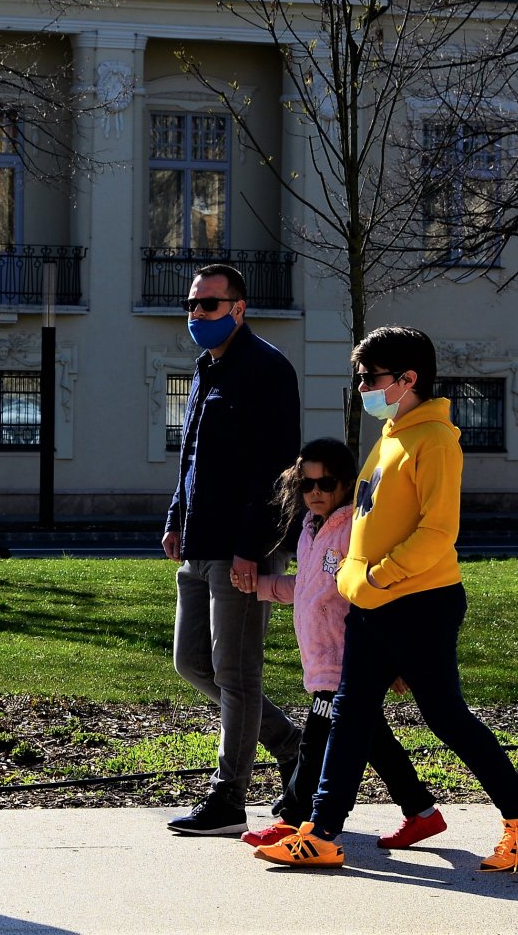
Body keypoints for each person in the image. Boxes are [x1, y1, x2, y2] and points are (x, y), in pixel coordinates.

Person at [255, 326, 518, 872]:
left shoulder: (436, 441)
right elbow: (367, 523)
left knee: (446, 717)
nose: (363, 386)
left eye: (371, 377)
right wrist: (356, 577)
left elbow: (439, 533)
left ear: (408, 379)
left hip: (420, 604)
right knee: (349, 716)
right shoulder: (391, 435)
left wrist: (374, 579)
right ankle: (321, 833)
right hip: (376, 605)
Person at [241, 438, 444, 850]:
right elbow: (309, 590)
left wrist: (394, 657)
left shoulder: (355, 528)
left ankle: (292, 819)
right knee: (373, 740)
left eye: (326, 483)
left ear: (346, 484)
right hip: (321, 659)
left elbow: (378, 593)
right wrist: (262, 586)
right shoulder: (309, 530)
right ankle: (422, 812)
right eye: (307, 484)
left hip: (345, 659)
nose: (315, 492)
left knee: (316, 741)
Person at [163, 262, 304, 836]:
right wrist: (175, 516)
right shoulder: (204, 368)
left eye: (210, 306)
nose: (197, 315)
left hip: (241, 549)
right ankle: (292, 745)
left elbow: (276, 473)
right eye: (193, 305)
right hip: (198, 542)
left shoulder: (267, 369)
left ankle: (229, 800)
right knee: (191, 661)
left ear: (238, 309)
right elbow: (193, 456)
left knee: (236, 671)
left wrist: (253, 549)